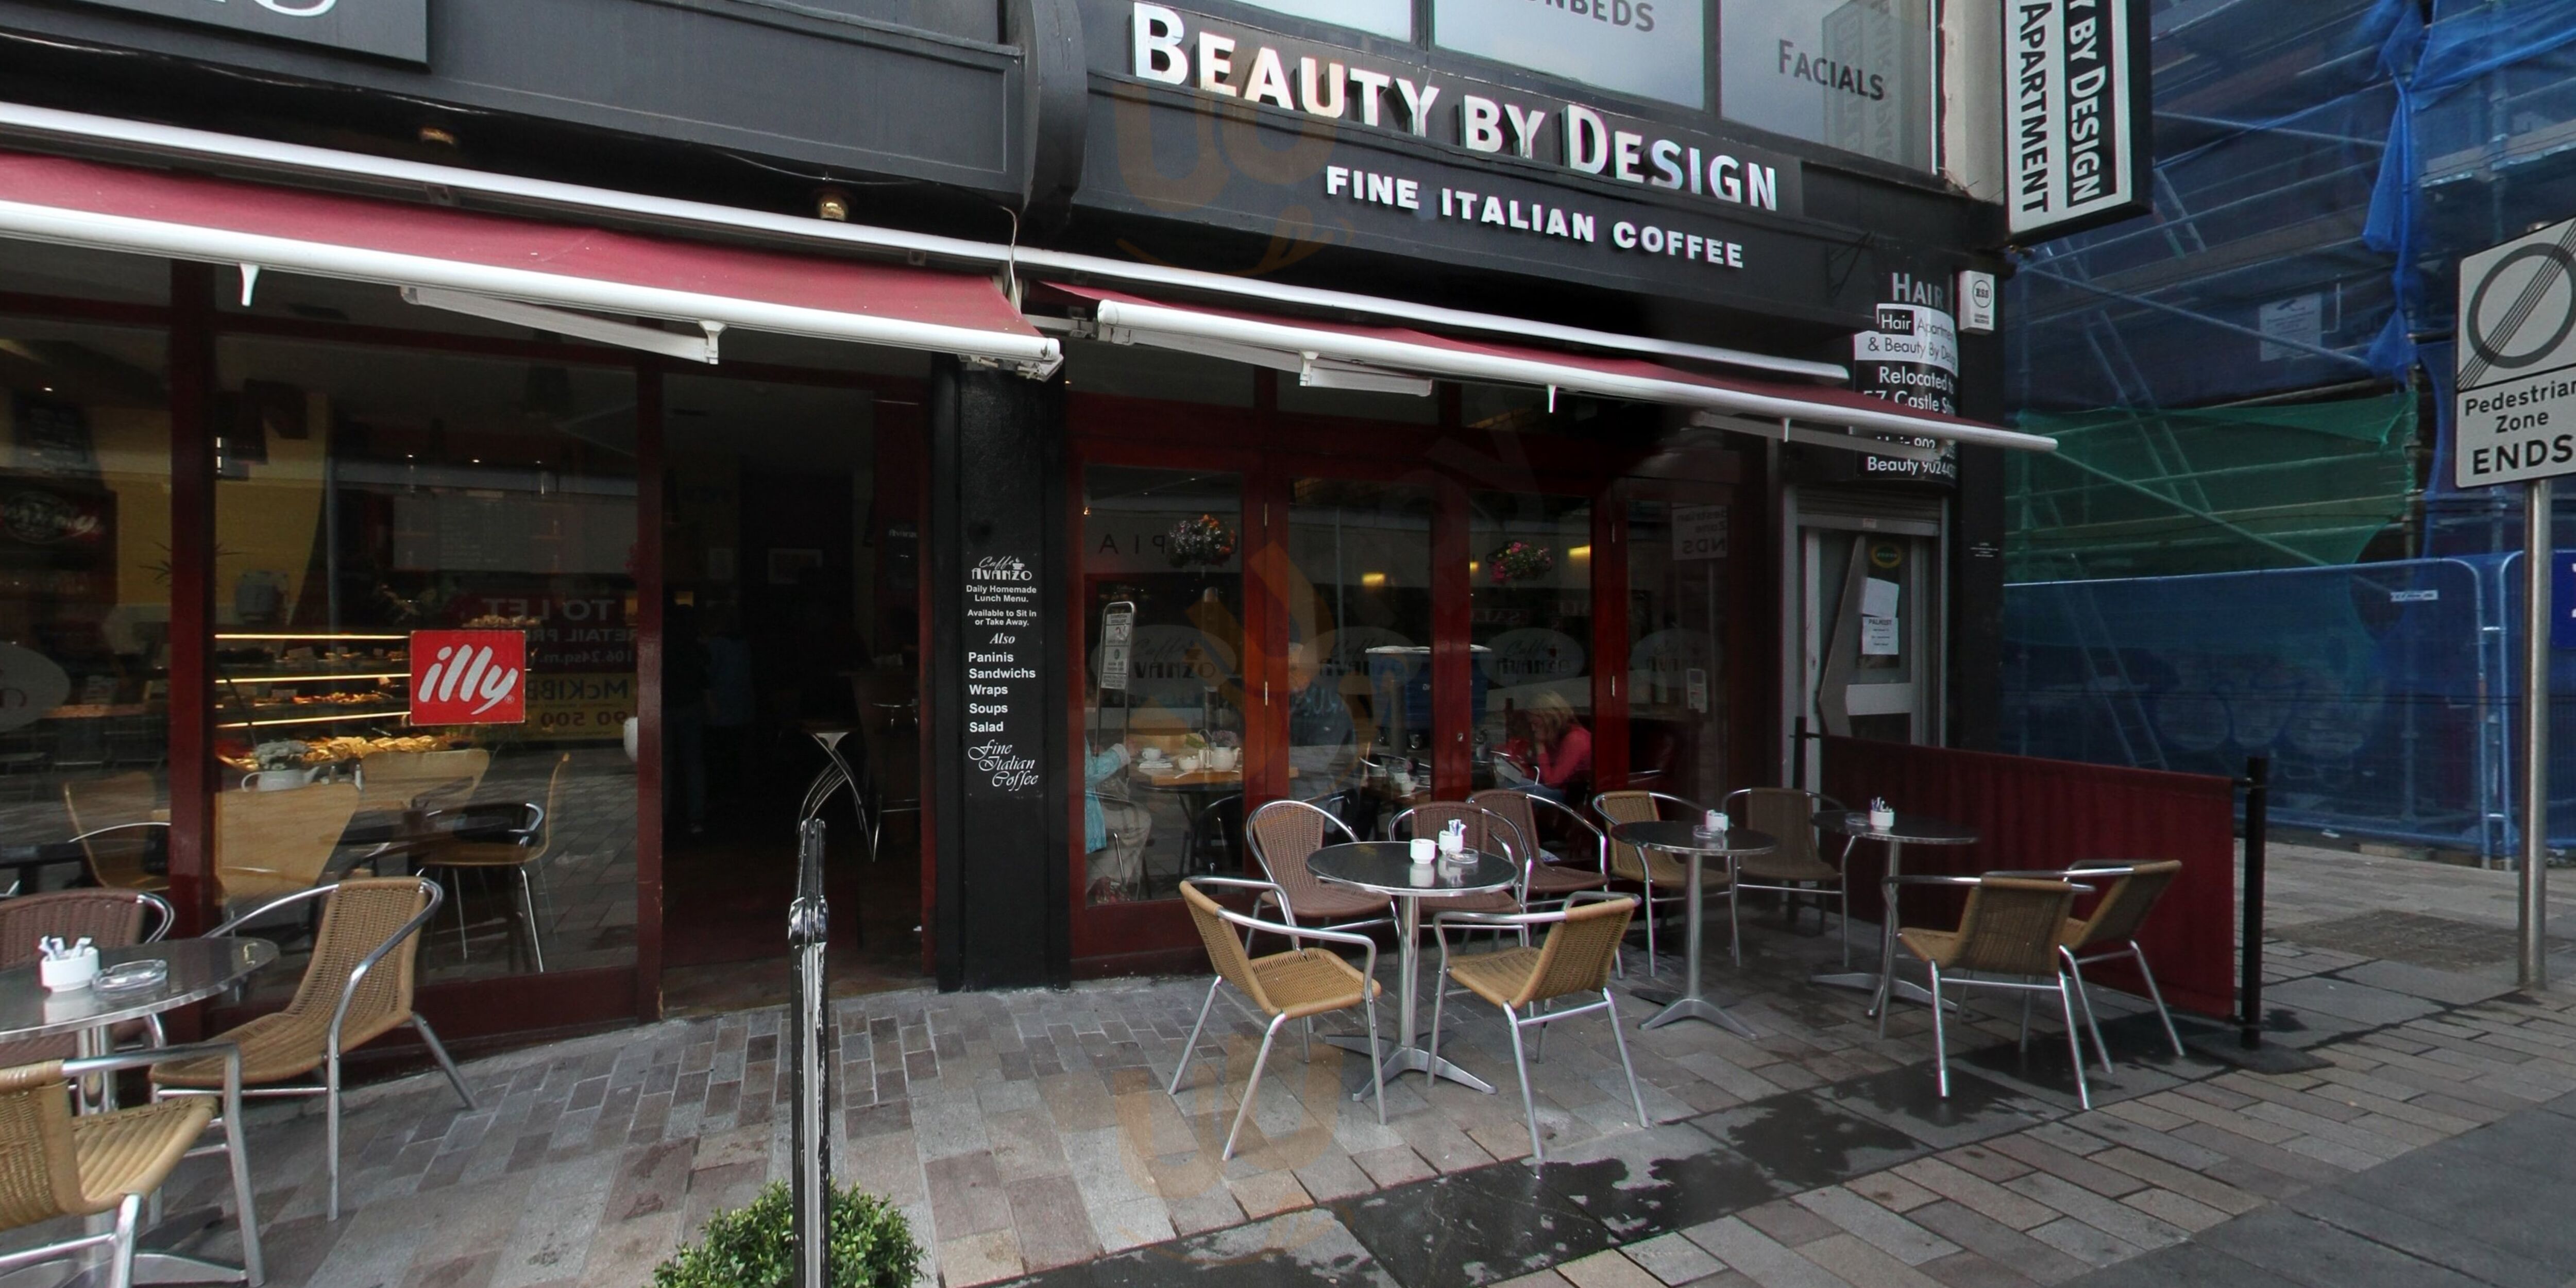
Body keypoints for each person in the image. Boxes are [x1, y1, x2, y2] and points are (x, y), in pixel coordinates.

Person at [1083, 679, 1151, 901]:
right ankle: (1102, 882)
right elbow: (1087, 774)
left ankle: (1101, 882)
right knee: (1141, 820)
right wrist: (1122, 752)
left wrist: (1096, 755)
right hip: (1080, 810)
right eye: (1092, 703)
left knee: (1135, 817)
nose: (1094, 710)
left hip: (1072, 806)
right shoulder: (1070, 724)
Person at [1516, 689, 1591, 805]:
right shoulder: (1555, 736)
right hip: (1557, 791)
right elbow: (1544, 774)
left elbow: (1552, 782)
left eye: (1536, 724)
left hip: (1569, 797)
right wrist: (1525, 772)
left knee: (1513, 788)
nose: (1533, 729)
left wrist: (1540, 747)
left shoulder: (1576, 739)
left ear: (1549, 719)